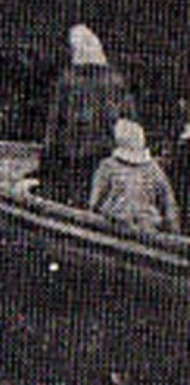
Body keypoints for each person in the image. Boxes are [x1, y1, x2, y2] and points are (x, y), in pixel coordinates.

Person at [38, 24, 138, 207]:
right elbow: (129, 120)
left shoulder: (68, 81)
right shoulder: (115, 81)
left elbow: (54, 124)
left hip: (74, 153)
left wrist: (47, 156)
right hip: (109, 152)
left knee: (76, 199)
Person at [88, 119, 181, 235]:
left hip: (116, 227)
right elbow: (170, 206)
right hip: (148, 228)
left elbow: (94, 202)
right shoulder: (154, 168)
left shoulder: (108, 166)